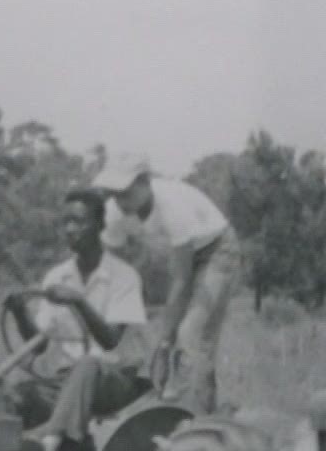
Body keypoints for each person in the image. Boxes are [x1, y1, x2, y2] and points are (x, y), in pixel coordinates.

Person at [4, 189, 151, 451]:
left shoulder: (124, 276)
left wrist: (79, 301)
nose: (70, 230)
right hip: (66, 380)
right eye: (66, 222)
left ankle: (51, 444)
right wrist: (20, 312)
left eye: (79, 222)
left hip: (113, 379)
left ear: (100, 225)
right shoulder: (57, 276)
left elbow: (110, 341)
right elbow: (39, 344)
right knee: (13, 392)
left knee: (88, 364)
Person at [92, 155, 238, 414]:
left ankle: (193, 417)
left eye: (125, 192)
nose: (120, 201)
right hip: (174, 254)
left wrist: (164, 345)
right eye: (114, 194)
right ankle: (181, 407)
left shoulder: (171, 207)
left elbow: (181, 279)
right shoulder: (115, 213)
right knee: (150, 332)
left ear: (145, 182)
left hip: (215, 251)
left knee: (190, 334)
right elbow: (108, 271)